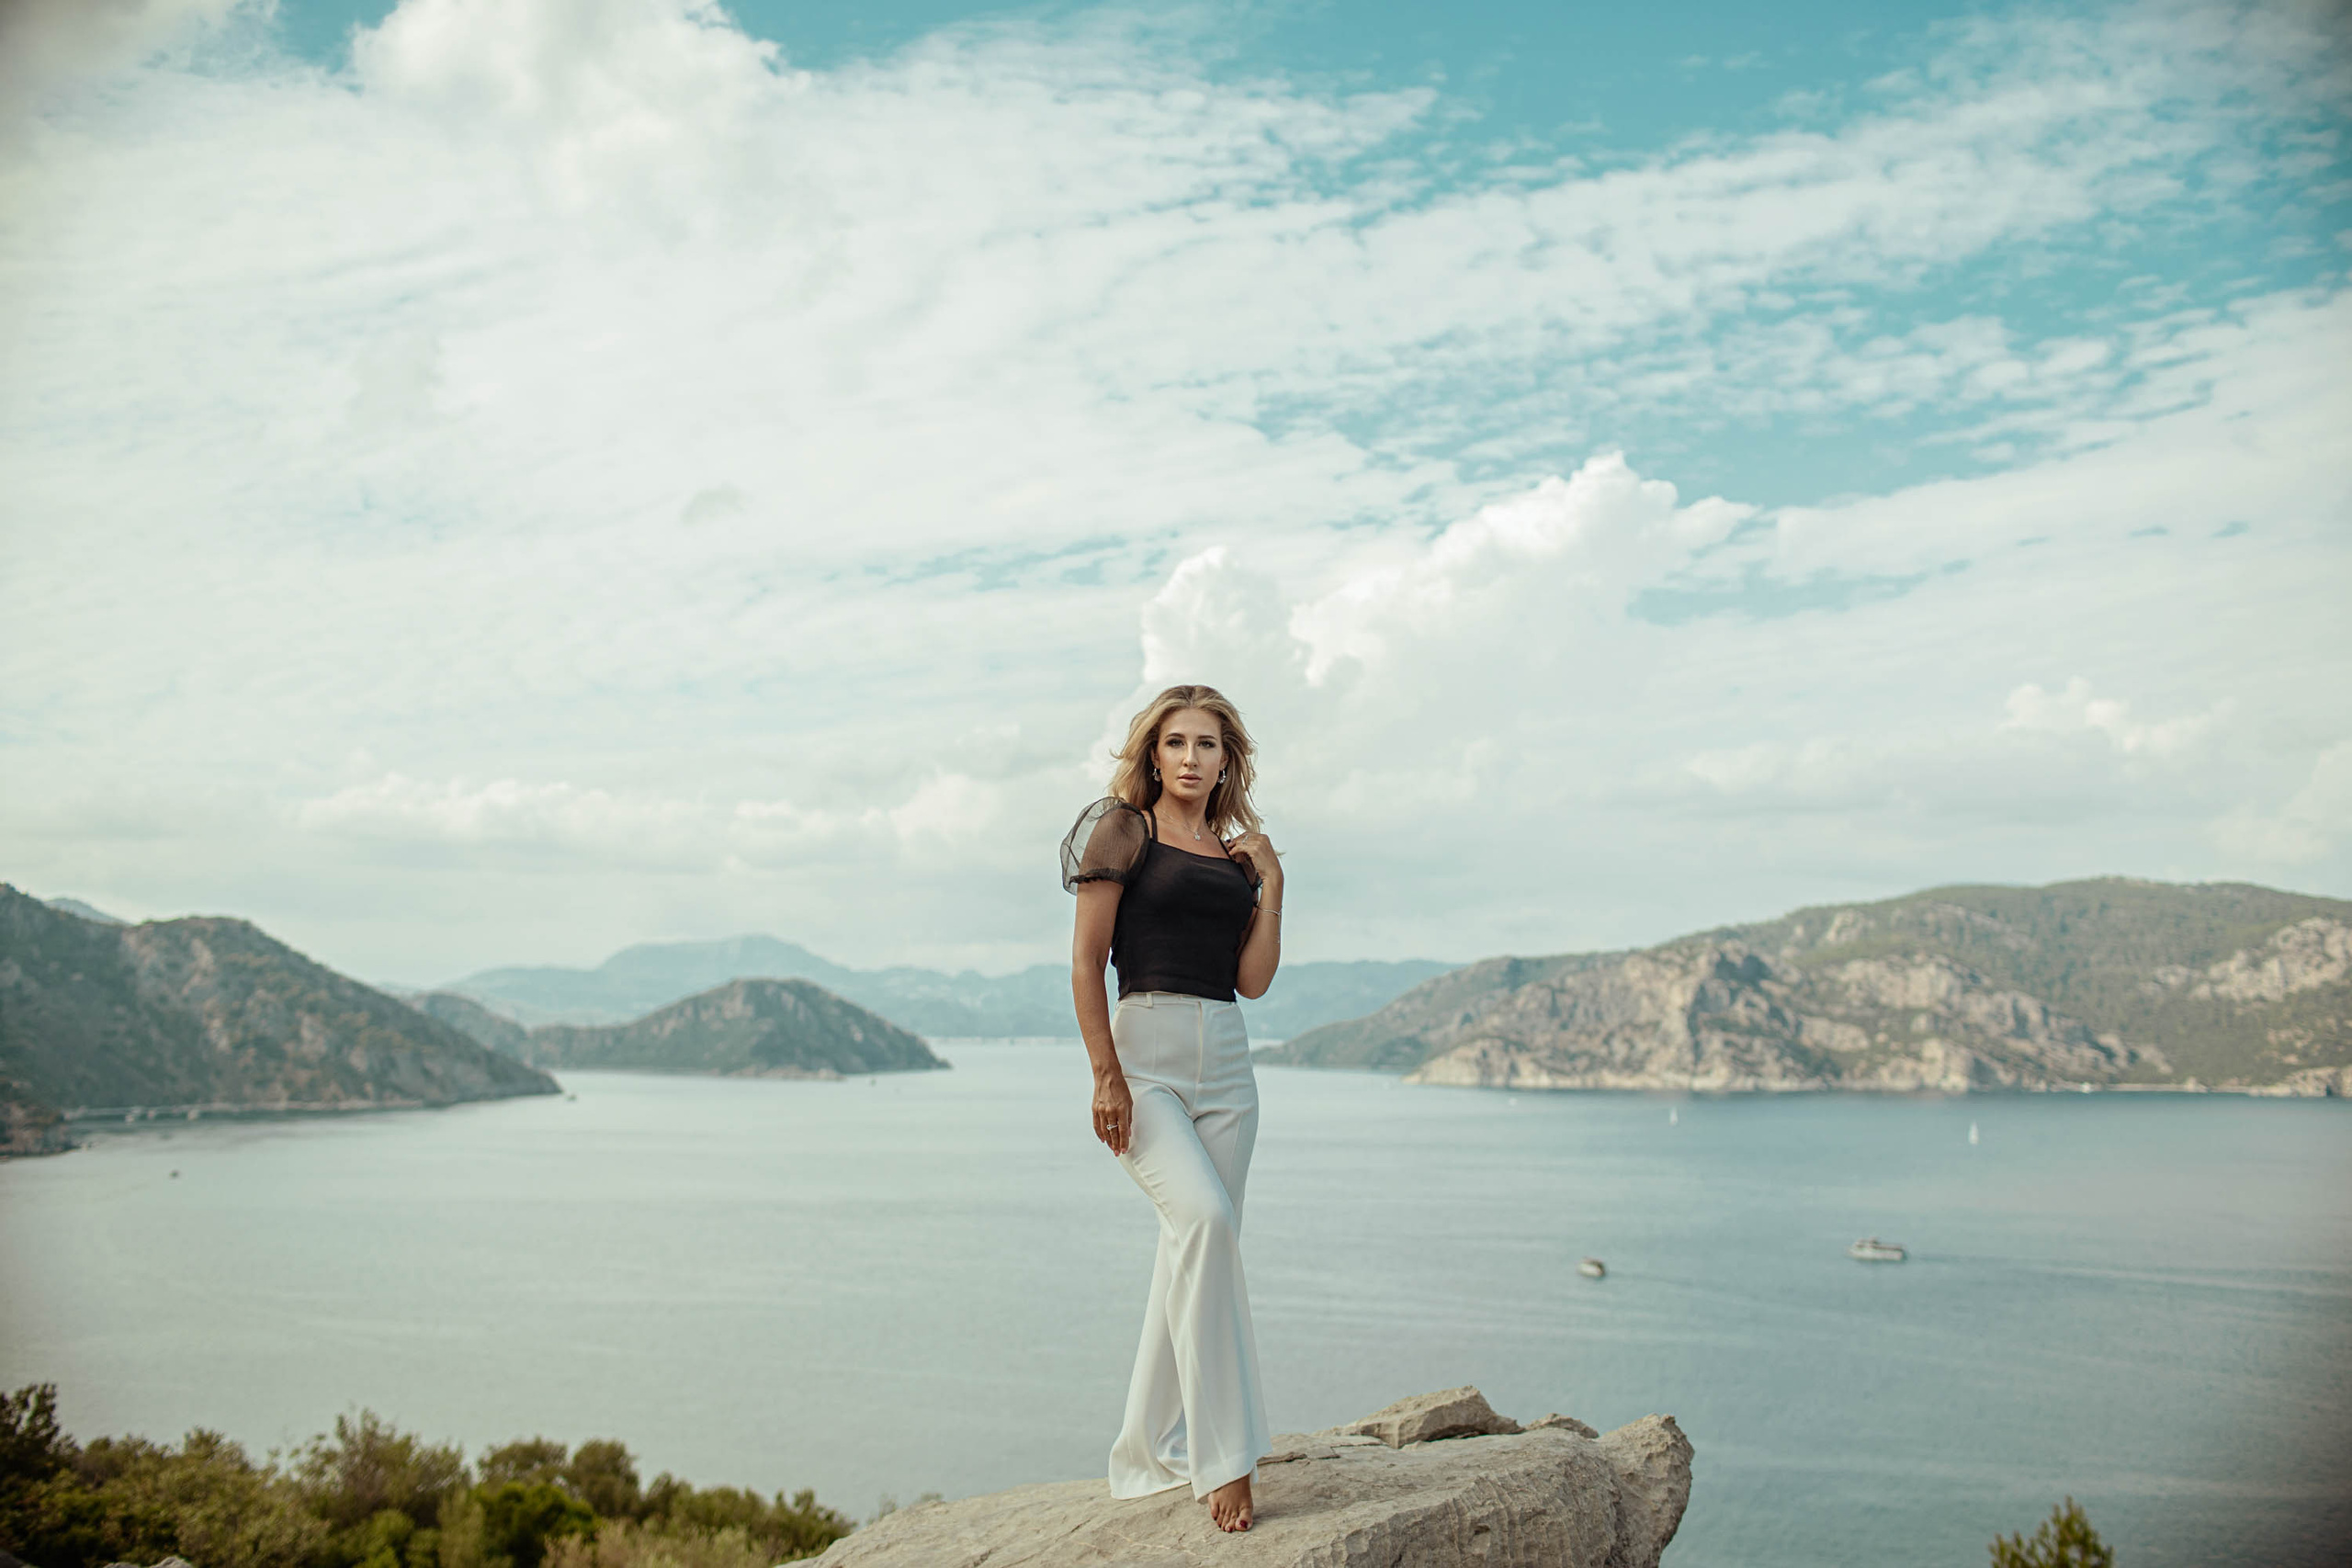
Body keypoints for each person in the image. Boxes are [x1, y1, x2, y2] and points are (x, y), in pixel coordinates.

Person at [1061, 683, 1284, 1534]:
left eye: (1209, 744)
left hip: (1228, 1064)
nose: (1192, 757)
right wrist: (1105, 1074)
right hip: (1144, 1059)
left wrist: (1270, 881)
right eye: (1177, 741)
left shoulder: (1237, 856)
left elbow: (1253, 980)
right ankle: (1225, 1458)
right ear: (1152, 753)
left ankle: (1145, 1449)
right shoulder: (1125, 831)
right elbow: (1086, 962)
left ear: (1228, 759)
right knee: (1206, 1225)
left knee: (1190, 1248)